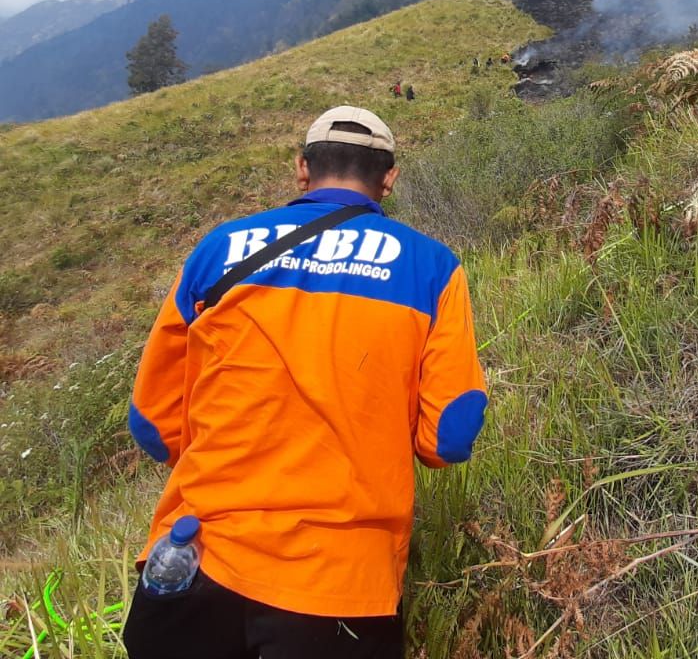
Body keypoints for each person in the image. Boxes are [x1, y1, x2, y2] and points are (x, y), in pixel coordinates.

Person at [124, 105, 487, 659]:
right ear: (389, 177)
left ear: (302, 169)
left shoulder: (219, 249)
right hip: (339, 589)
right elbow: (447, 441)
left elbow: (151, 425)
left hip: (196, 560)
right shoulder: (433, 268)